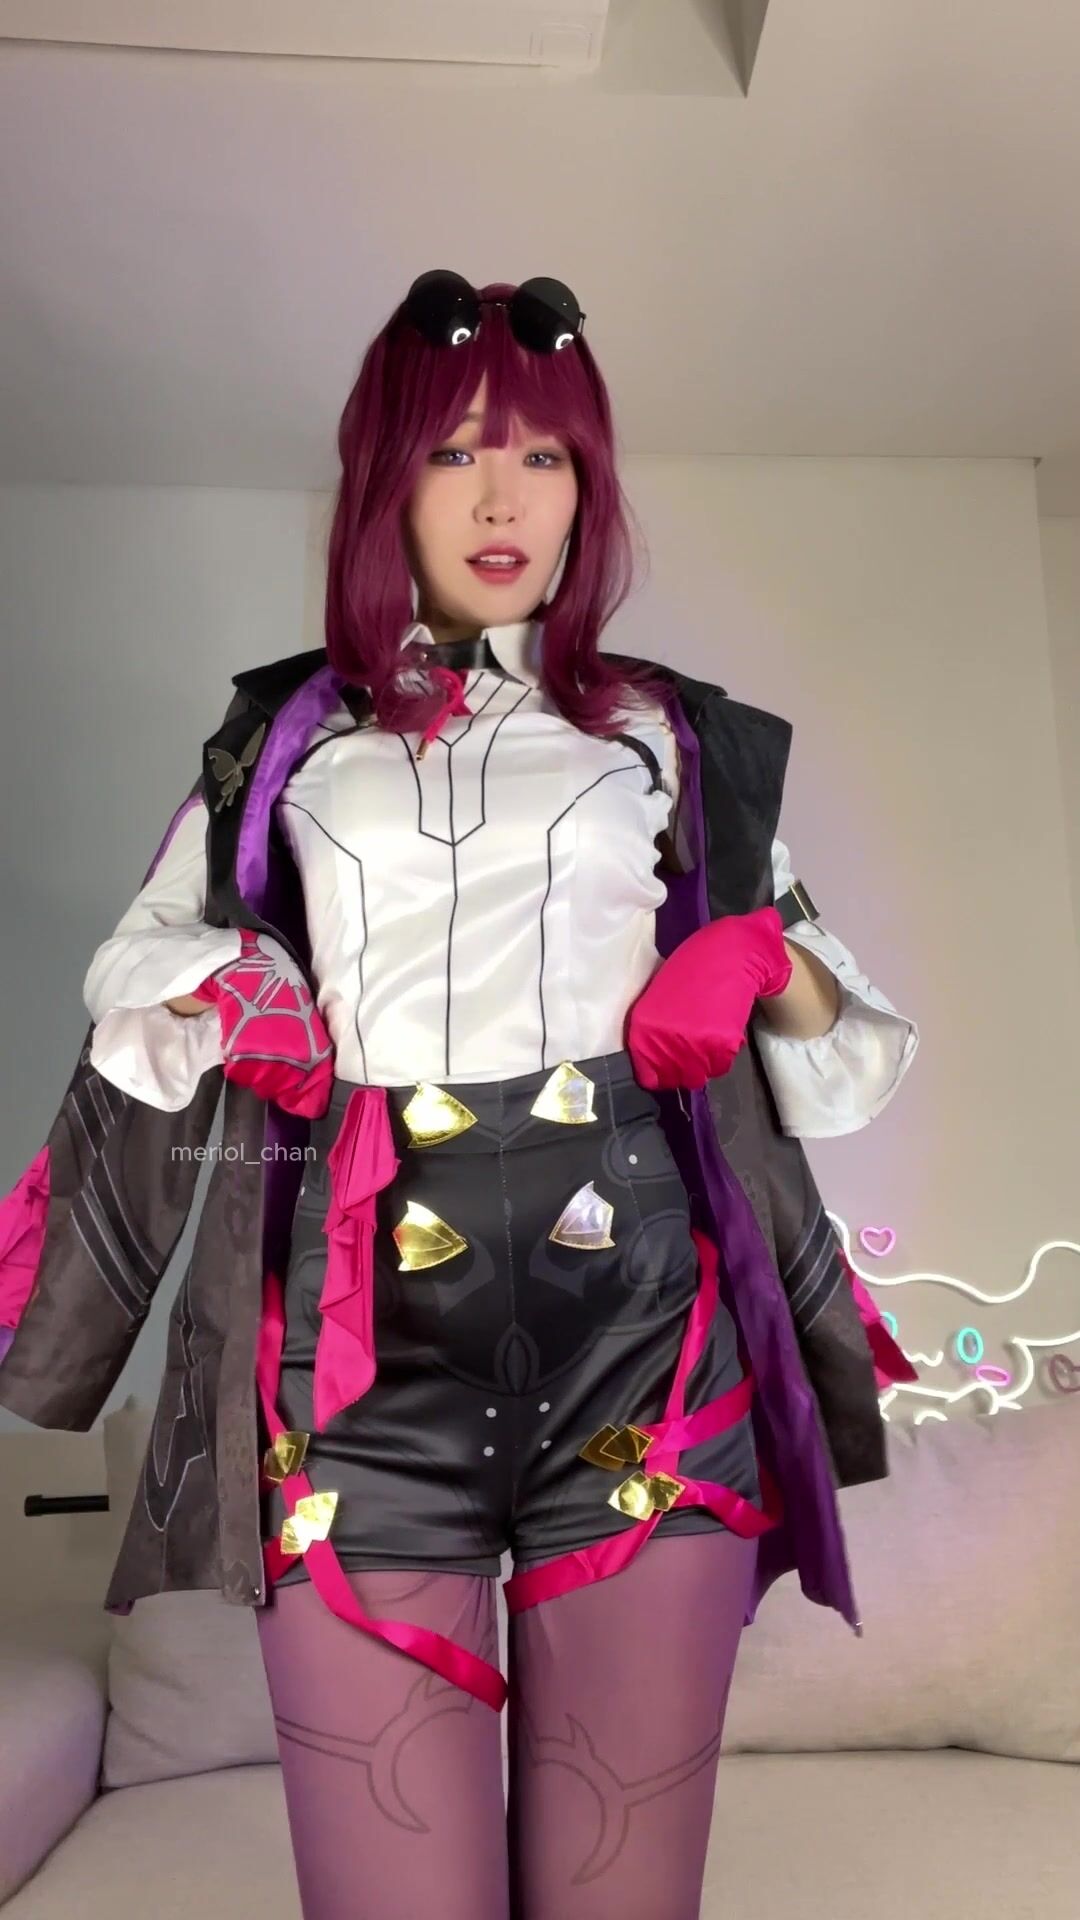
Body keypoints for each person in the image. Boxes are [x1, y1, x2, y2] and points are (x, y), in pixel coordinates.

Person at [0, 273, 919, 1919]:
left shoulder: (669, 739)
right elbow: (135, 969)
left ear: (586, 490)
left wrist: (756, 955)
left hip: (650, 1352)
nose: (504, 500)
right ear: (385, 482)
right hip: (354, 1373)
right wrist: (241, 983)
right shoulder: (280, 744)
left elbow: (848, 1044)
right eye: (457, 453)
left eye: (544, 457)